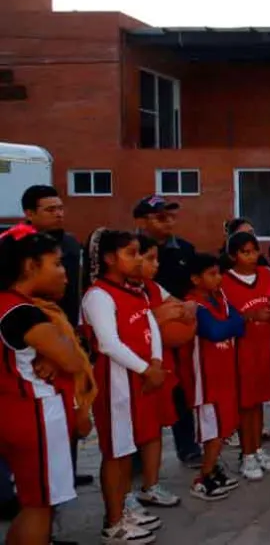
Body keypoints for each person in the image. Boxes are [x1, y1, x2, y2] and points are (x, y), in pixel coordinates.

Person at [0, 225, 91, 545]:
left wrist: (50, 354)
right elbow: (75, 361)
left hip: (14, 411)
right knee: (39, 507)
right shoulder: (24, 314)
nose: (63, 272)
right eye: (56, 263)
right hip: (36, 416)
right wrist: (58, 350)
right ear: (30, 267)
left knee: (32, 502)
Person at [82, 228, 167, 543]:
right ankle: (113, 523)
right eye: (130, 254)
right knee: (116, 452)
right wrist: (146, 368)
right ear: (108, 259)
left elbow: (152, 326)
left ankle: (124, 507)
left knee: (130, 446)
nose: (138, 260)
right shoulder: (98, 296)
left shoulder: (138, 290)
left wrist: (156, 362)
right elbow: (107, 344)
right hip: (117, 384)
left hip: (142, 379)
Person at [22, 185, 91, 489]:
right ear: (30, 213)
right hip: (33, 340)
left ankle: (67, 473)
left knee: (71, 406)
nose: (59, 213)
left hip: (69, 332)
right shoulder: (17, 245)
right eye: (50, 209)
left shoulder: (72, 244)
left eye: (60, 207)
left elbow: (80, 286)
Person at [133, 195, 203, 469]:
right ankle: (138, 455)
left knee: (181, 391)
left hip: (176, 331)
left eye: (171, 216)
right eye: (160, 217)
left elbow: (192, 289)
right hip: (140, 335)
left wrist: (189, 306)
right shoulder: (128, 250)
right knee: (144, 394)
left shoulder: (185, 250)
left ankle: (187, 446)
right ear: (142, 221)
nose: (168, 222)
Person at [221, 232, 270, 481]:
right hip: (241, 349)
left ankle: (257, 448)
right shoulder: (225, 281)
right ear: (233, 255)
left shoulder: (266, 275)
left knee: (258, 404)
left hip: (264, 346)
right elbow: (223, 316)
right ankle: (245, 454)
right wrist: (251, 317)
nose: (251, 256)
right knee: (245, 405)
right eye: (245, 252)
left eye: (254, 250)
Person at [186, 254, 245, 501]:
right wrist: (230, 324)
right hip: (206, 379)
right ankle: (203, 478)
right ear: (195, 279)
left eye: (219, 272)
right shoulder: (193, 304)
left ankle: (214, 468)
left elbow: (239, 323)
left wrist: (231, 324)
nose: (218, 278)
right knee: (213, 431)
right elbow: (214, 331)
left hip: (225, 373)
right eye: (211, 274)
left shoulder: (220, 298)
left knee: (224, 426)